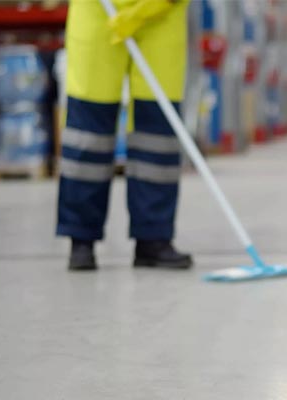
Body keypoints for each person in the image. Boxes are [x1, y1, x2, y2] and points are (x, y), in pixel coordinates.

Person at [57, 0, 192, 270]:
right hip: (98, 10)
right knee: (89, 131)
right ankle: (81, 238)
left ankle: (153, 237)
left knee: (158, 132)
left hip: (163, 12)